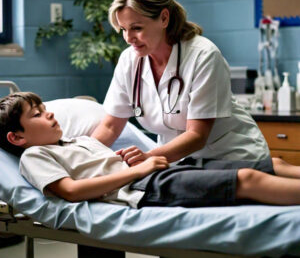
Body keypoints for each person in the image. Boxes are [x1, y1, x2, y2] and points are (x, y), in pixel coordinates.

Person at [2, 92, 300, 208]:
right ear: (16, 138)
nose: (50, 114)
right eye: (37, 114)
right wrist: (138, 169)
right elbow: (71, 190)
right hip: (142, 186)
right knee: (246, 179)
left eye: (45, 108)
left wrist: (131, 159)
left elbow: (103, 164)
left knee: (271, 163)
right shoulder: (35, 155)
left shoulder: (77, 141)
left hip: (156, 171)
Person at [91, 0, 269, 168]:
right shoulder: (129, 61)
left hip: (232, 157)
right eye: (123, 29)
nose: (128, 38)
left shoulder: (203, 55)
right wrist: (81, 157)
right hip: (178, 162)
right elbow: (110, 127)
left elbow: (196, 135)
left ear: (164, 18)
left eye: (136, 28)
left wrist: (148, 157)